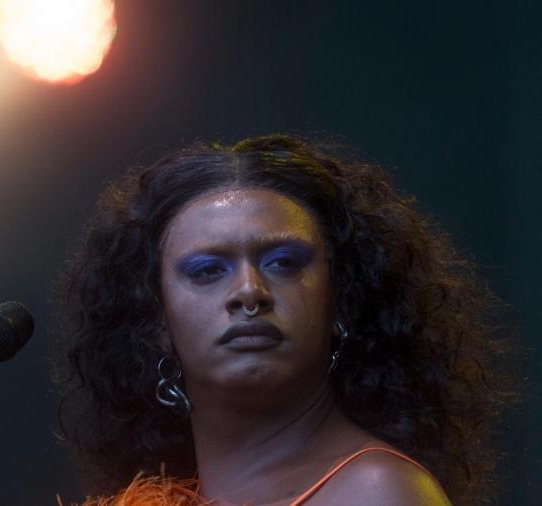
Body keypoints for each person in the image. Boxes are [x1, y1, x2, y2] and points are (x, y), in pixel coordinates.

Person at [53, 134, 517, 505]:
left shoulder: (379, 492)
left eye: (284, 263)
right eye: (208, 270)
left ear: (342, 301)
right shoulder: (161, 497)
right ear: (155, 319)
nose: (249, 291)